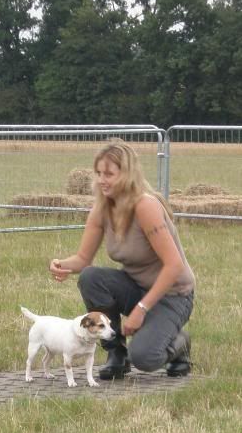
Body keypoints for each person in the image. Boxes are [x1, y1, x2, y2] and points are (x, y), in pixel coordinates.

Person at [49, 139, 194, 380]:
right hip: (137, 287)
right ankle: (116, 353)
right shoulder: (102, 208)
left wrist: (141, 309)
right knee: (91, 278)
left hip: (173, 295)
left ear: (127, 175)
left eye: (109, 174)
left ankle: (180, 343)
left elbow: (174, 265)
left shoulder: (145, 206)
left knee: (145, 357)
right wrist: (61, 265)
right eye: (98, 173)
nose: (101, 180)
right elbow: (83, 259)